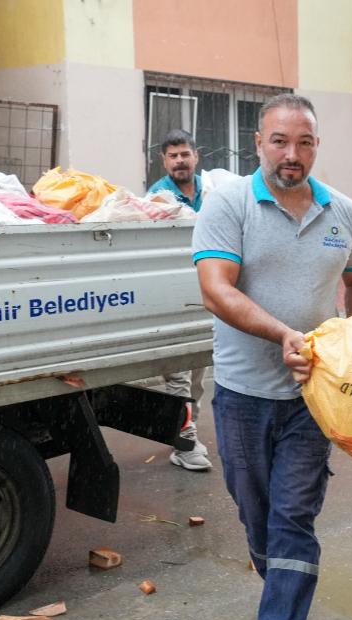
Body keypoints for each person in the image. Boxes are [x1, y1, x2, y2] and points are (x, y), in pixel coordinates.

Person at [191, 93, 352, 620]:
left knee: (293, 515)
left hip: (312, 398)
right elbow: (216, 290)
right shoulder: (229, 204)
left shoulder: (342, 212)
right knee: (258, 516)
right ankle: (275, 579)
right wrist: (281, 334)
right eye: (279, 141)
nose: (291, 154)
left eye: (304, 143)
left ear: (317, 146)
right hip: (243, 395)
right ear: (258, 143)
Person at [149, 129, 210, 471]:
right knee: (179, 377)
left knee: (197, 374)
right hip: (172, 301)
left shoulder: (211, 191)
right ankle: (184, 443)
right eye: (173, 156)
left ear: (196, 156)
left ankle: (187, 432)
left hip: (204, 297)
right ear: (164, 161)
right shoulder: (157, 198)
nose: (180, 161)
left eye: (185, 154)